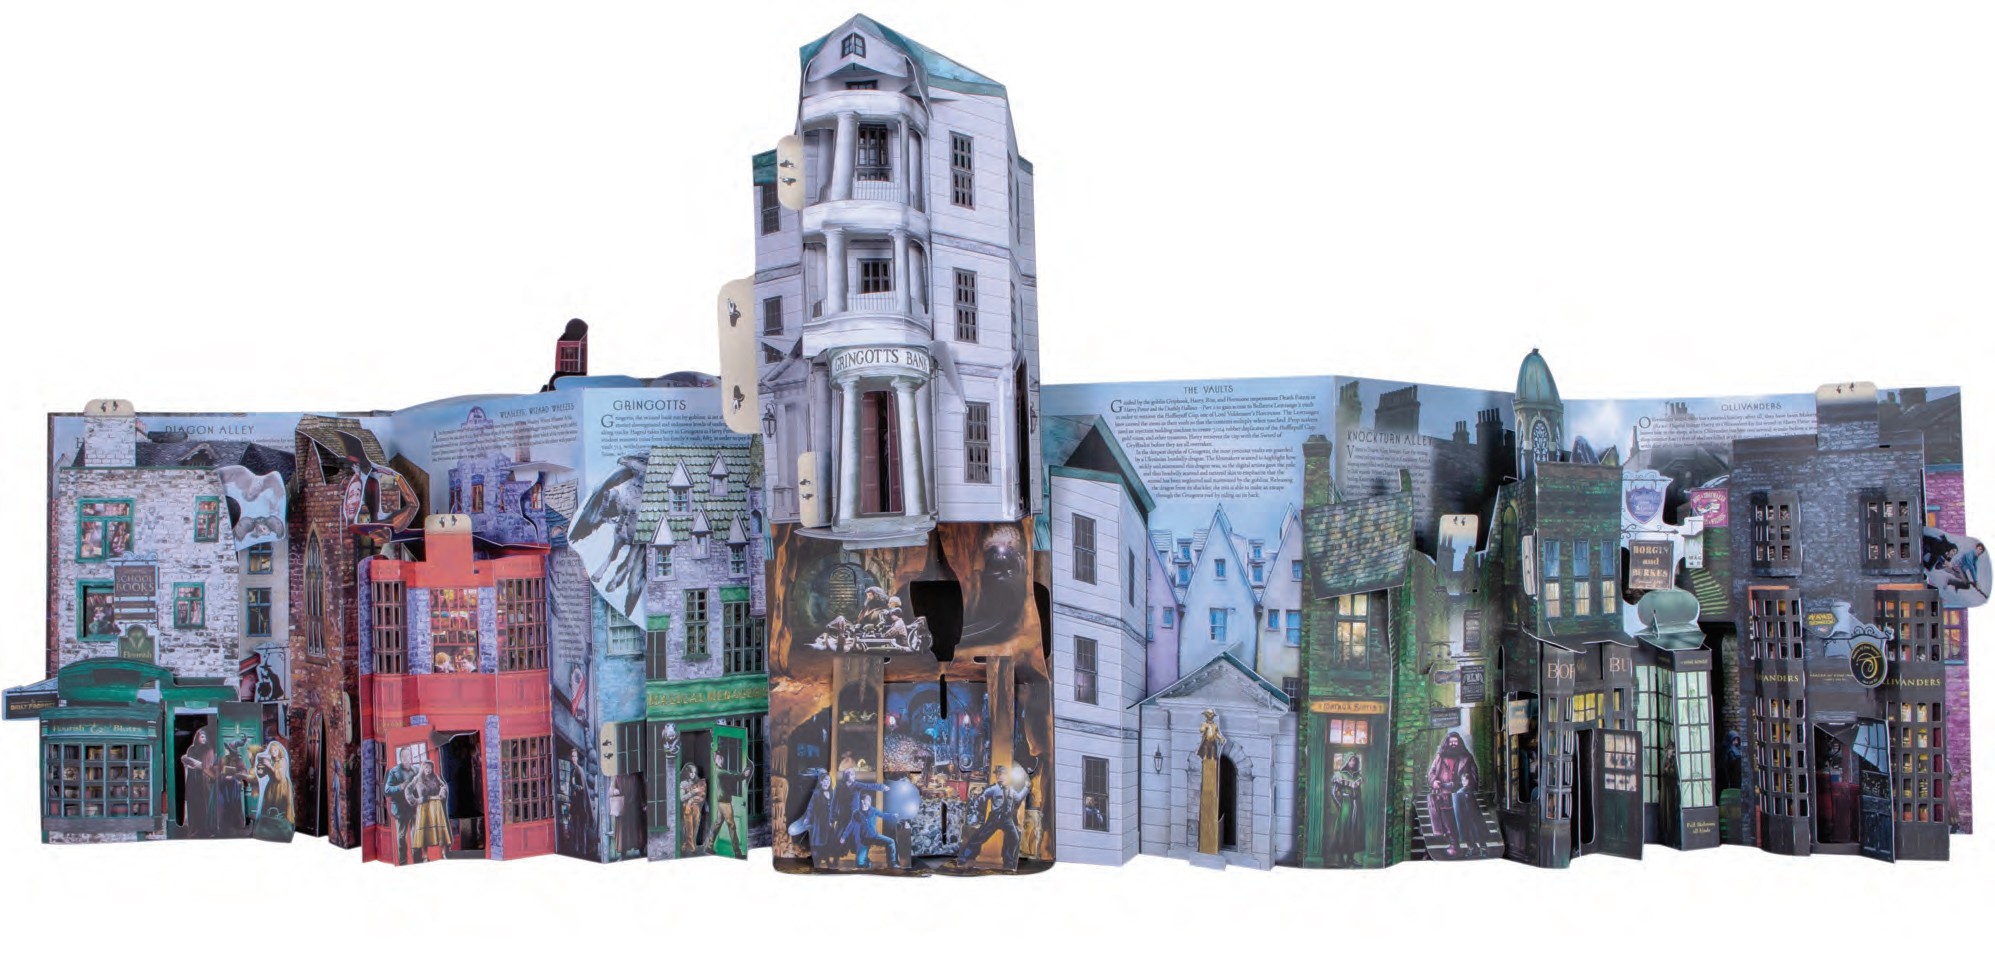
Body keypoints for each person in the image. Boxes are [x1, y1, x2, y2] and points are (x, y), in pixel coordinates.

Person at [955, 764, 1029, 868]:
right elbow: (981, 799)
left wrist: (1026, 787)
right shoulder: (993, 789)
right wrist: (978, 806)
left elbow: (1018, 798)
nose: (1000, 776)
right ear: (996, 776)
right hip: (994, 818)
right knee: (980, 836)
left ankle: (1008, 861)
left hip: (1007, 819)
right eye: (998, 774)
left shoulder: (1011, 790)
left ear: (1006, 776)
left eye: (1002, 774)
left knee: (1015, 838)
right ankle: (964, 856)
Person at [1427, 732, 1483, 858]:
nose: (1453, 744)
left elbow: (1474, 774)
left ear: (1459, 742)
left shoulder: (1466, 757)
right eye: (1451, 741)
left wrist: (1468, 785)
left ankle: (1472, 846)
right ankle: (1454, 846)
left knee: (1465, 822)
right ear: (1447, 743)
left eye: (1455, 741)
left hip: (1461, 796)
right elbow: (1432, 772)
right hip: (1443, 795)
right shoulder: (1440, 757)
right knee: (1448, 823)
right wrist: (1433, 782)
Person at [835, 766, 896, 868]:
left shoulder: (857, 785)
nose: (854, 776)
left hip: (857, 816)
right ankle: (846, 858)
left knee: (857, 839)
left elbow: (869, 786)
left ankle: (863, 858)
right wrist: (833, 817)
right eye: (851, 774)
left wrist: (881, 787)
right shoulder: (840, 787)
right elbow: (835, 802)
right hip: (845, 816)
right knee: (842, 838)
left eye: (854, 774)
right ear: (846, 776)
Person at [702, 750, 754, 859]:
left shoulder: (719, 771)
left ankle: (709, 846)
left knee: (717, 824)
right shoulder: (721, 772)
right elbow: (735, 777)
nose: (721, 760)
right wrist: (744, 774)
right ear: (715, 761)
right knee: (732, 826)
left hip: (721, 802)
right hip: (725, 803)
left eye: (722, 758)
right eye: (719, 759)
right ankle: (737, 853)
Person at [178, 726, 221, 836]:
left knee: (204, 805)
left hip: (204, 781)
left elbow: (208, 767)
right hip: (193, 780)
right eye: (202, 736)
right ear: (197, 737)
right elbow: (187, 762)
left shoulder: (209, 750)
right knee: (193, 805)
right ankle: (194, 829)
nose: (204, 739)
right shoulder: (191, 749)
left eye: (205, 737)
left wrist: (199, 765)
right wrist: (186, 760)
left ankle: (206, 830)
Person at [406, 761, 452, 862]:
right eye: (426, 767)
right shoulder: (417, 779)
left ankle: (443, 854)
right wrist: (416, 801)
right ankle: (426, 857)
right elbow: (407, 790)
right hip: (424, 808)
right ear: (422, 768)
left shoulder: (435, 777)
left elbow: (444, 786)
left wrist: (442, 793)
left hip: (436, 806)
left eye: (430, 768)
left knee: (441, 831)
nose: (428, 770)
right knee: (424, 833)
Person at [1326, 752, 1366, 866]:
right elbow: (1333, 792)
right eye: (1350, 760)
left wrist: (1357, 801)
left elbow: (1359, 792)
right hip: (1346, 805)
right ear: (1346, 761)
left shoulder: (1358, 776)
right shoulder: (1340, 775)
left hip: (1356, 806)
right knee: (1343, 830)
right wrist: (1341, 805)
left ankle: (1350, 858)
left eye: (1354, 760)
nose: (1352, 762)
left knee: (1354, 831)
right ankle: (1340, 859)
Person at [382, 757, 417, 863]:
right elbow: (386, 791)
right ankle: (403, 861)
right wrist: (400, 787)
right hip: (400, 809)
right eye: (404, 757)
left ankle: (417, 858)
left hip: (413, 807)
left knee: (416, 834)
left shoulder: (415, 770)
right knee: (401, 837)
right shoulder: (392, 771)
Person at [679, 763, 707, 856]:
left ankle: (685, 844)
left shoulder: (697, 782)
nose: (692, 775)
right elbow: (682, 798)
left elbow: (702, 795)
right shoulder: (683, 783)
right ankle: (692, 847)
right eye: (691, 773)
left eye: (694, 773)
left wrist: (699, 797)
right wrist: (692, 792)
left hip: (696, 808)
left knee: (695, 827)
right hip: (687, 808)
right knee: (689, 828)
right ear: (687, 773)